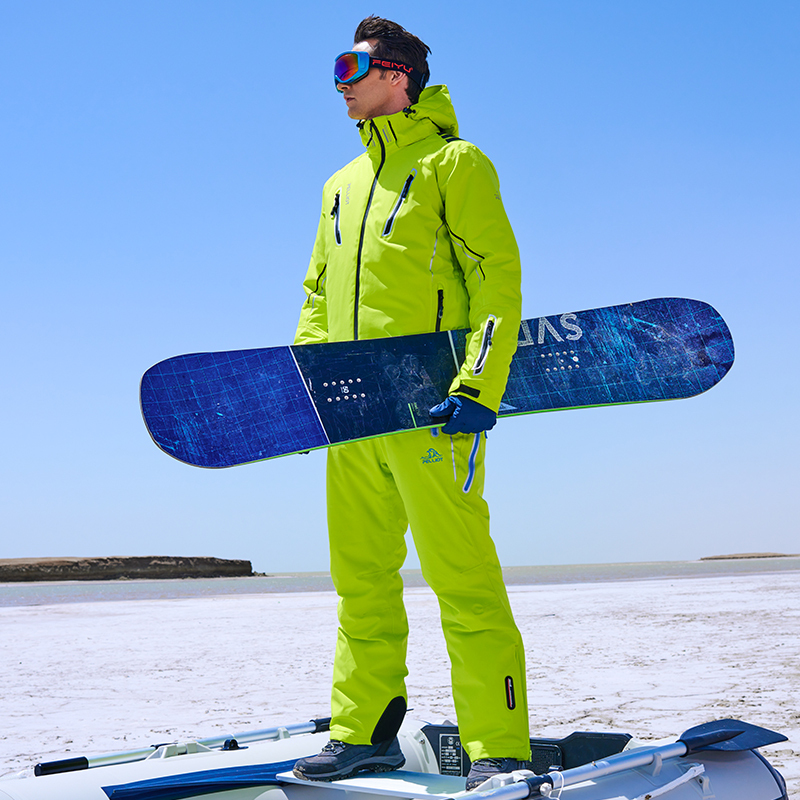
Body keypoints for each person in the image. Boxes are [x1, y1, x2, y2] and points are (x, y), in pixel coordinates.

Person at [292, 17, 532, 791]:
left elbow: (496, 278)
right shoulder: (340, 184)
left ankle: (499, 747)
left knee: (462, 582)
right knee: (360, 582)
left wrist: (478, 384)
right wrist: (310, 393)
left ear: (397, 74)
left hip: (436, 412)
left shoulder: (454, 164)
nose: (340, 84)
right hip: (354, 420)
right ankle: (364, 734)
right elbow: (318, 297)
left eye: (351, 67)